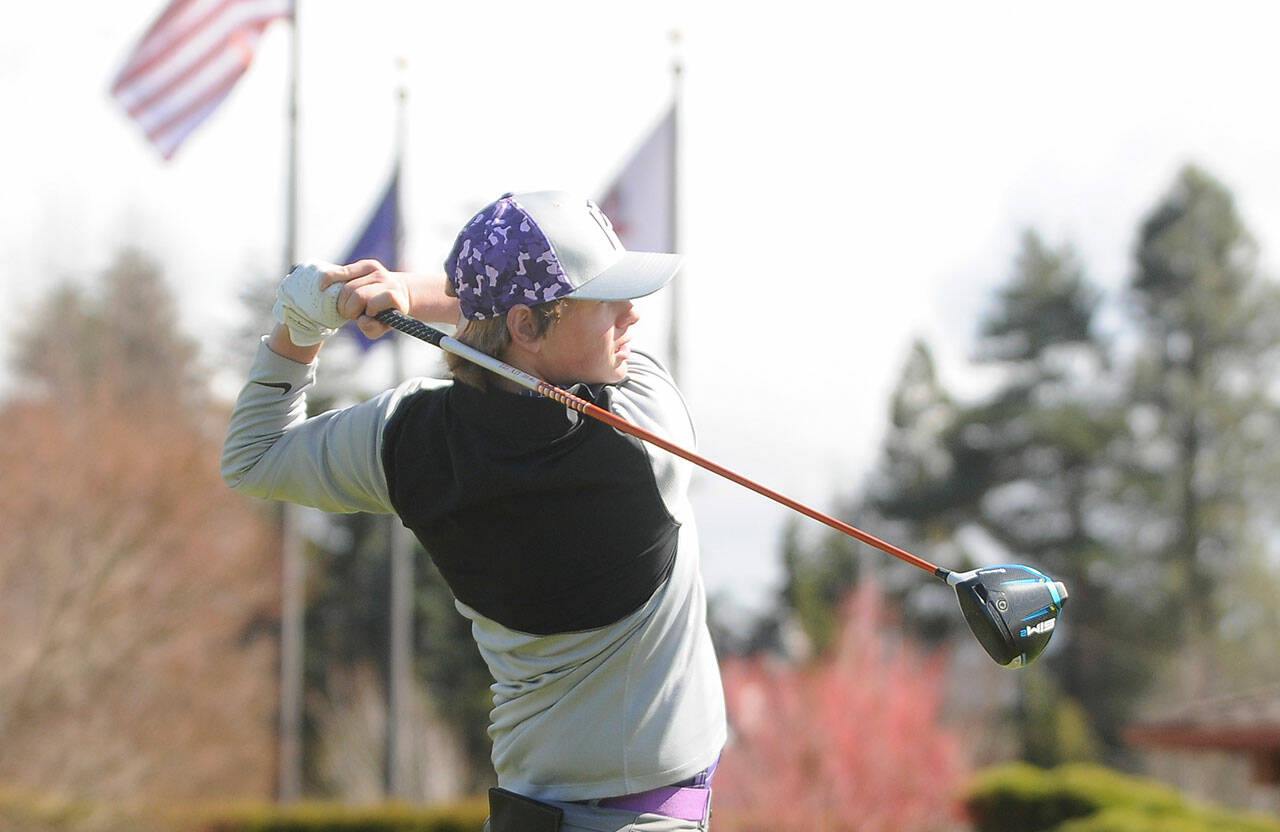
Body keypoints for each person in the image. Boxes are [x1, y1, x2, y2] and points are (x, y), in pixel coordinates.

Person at [222, 191, 727, 832]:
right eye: (605, 300)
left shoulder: (406, 439)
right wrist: (408, 289)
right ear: (524, 327)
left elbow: (255, 456)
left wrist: (299, 328)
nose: (632, 316)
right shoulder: (646, 435)